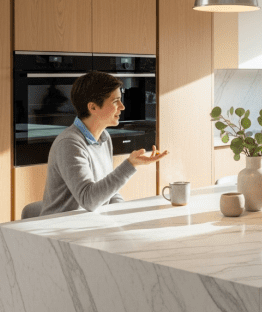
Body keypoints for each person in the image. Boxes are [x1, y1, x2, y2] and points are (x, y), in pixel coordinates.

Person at [39, 71, 169, 216]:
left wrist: (125, 214)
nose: (122, 107)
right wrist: (130, 165)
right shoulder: (69, 143)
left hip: (88, 223)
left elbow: (109, 193)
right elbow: (89, 200)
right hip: (58, 229)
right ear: (93, 107)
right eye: (115, 101)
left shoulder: (104, 137)